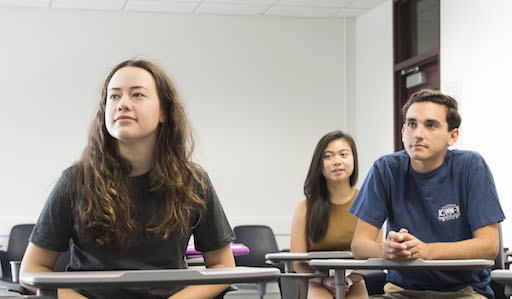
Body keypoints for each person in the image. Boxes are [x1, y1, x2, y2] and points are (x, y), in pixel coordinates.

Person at [20, 60, 236, 299]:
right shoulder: (76, 181)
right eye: (113, 97)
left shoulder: (194, 182)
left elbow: (223, 266)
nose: (122, 104)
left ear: (163, 111)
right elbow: (31, 270)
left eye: (137, 95)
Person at [350, 89, 505, 299]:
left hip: (464, 293)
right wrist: (387, 251)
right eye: (412, 124)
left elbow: (488, 246)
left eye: (430, 125)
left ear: (453, 136)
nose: (418, 134)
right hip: (401, 292)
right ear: (403, 130)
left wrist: (425, 251)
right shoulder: (385, 168)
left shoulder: (471, 166)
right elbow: (359, 244)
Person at [291, 131, 376, 299]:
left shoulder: (370, 204)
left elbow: (374, 258)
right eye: (328, 156)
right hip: (316, 281)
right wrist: (323, 281)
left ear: (353, 160)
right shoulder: (304, 207)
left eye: (343, 154)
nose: (337, 161)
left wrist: (347, 281)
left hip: (355, 280)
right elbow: (297, 263)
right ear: (319, 164)